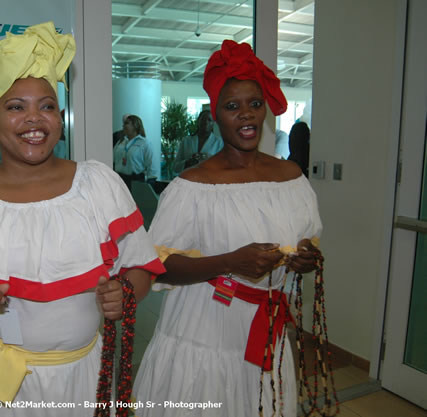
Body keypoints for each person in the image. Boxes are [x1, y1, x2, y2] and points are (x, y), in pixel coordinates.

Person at [0, 22, 164, 417]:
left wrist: (124, 293)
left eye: (46, 106)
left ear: (60, 117)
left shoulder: (99, 186)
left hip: (86, 377)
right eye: (16, 107)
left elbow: (140, 268)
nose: (34, 119)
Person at [133, 40, 323, 417]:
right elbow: (159, 264)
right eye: (232, 106)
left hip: (266, 332)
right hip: (204, 330)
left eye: (254, 104)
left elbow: (309, 240)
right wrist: (230, 262)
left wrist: (306, 258)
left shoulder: (291, 178)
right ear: (215, 114)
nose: (246, 116)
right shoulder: (193, 185)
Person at [172, 109, 224, 175]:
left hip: (209, 182)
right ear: (198, 121)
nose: (205, 122)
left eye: (209, 120)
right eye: (203, 119)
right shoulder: (186, 141)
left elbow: (224, 167)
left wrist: (209, 158)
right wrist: (187, 162)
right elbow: (175, 167)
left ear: (213, 123)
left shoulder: (219, 142)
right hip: (189, 182)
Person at [113, 114, 158, 189]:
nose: (123, 126)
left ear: (135, 125)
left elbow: (151, 165)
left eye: (126, 123)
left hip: (135, 182)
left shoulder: (144, 143)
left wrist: (151, 182)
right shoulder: (120, 142)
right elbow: (113, 160)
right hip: (119, 181)